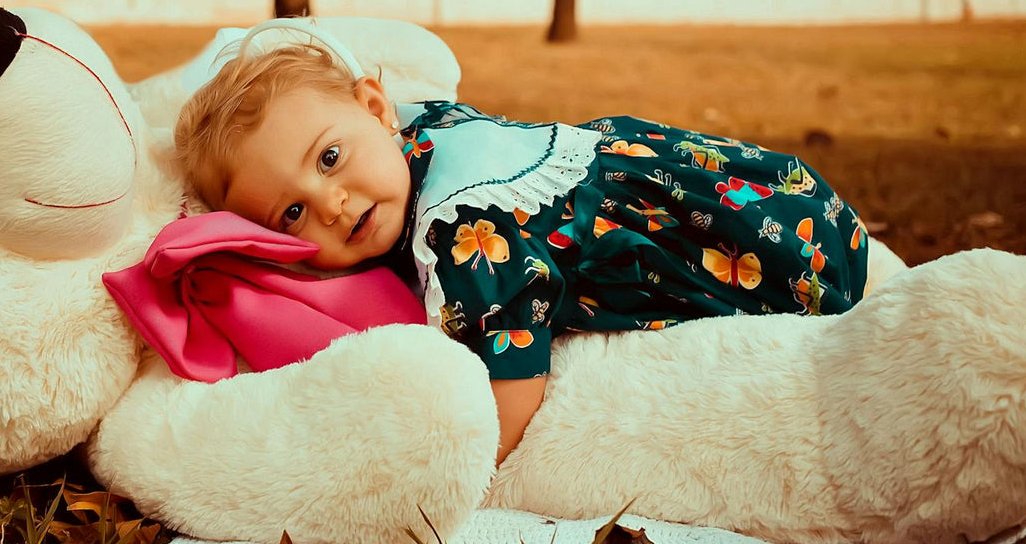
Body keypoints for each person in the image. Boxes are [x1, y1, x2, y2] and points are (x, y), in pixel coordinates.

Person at [174, 32, 868, 466]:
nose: (332, 204)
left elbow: (514, 371)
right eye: (291, 213)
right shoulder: (424, 132)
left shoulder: (464, 230)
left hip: (789, 262)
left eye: (329, 158)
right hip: (792, 192)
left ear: (376, 108)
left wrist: (483, 470)